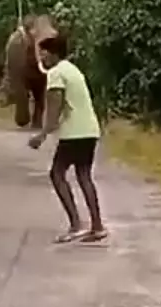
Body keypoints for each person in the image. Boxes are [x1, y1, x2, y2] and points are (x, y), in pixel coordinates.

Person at [28, 31, 106, 244]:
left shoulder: (56, 73)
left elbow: (54, 108)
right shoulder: (73, 70)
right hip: (89, 129)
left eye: (44, 54)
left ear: (53, 54)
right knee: (84, 176)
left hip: (74, 133)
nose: (42, 59)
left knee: (57, 174)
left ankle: (75, 224)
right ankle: (97, 226)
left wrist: (41, 135)